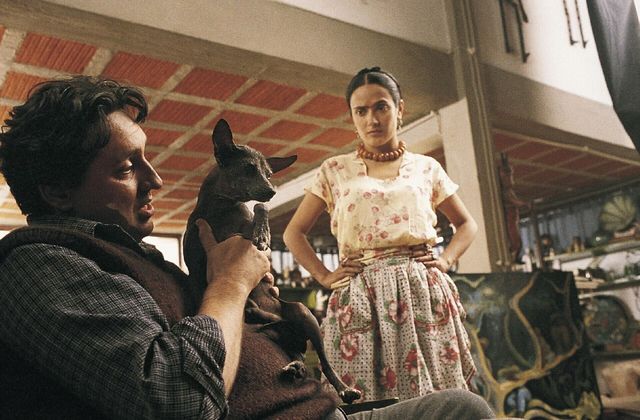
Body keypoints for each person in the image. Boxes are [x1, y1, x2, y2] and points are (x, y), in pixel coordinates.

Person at [0, 75, 494, 419]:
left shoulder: (135, 259)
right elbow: (179, 403)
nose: (156, 179)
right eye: (127, 168)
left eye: (146, 160)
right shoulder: (40, 265)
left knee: (460, 405)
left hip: (317, 406)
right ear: (57, 191)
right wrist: (230, 284)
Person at [284, 67, 479, 403]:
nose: (372, 119)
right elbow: (293, 233)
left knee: (436, 399)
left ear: (399, 109)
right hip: (361, 294)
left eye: (381, 107)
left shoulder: (426, 168)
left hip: (421, 291)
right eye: (361, 111)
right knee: (363, 399)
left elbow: (467, 224)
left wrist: (446, 260)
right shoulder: (334, 170)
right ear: (352, 117)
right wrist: (324, 276)